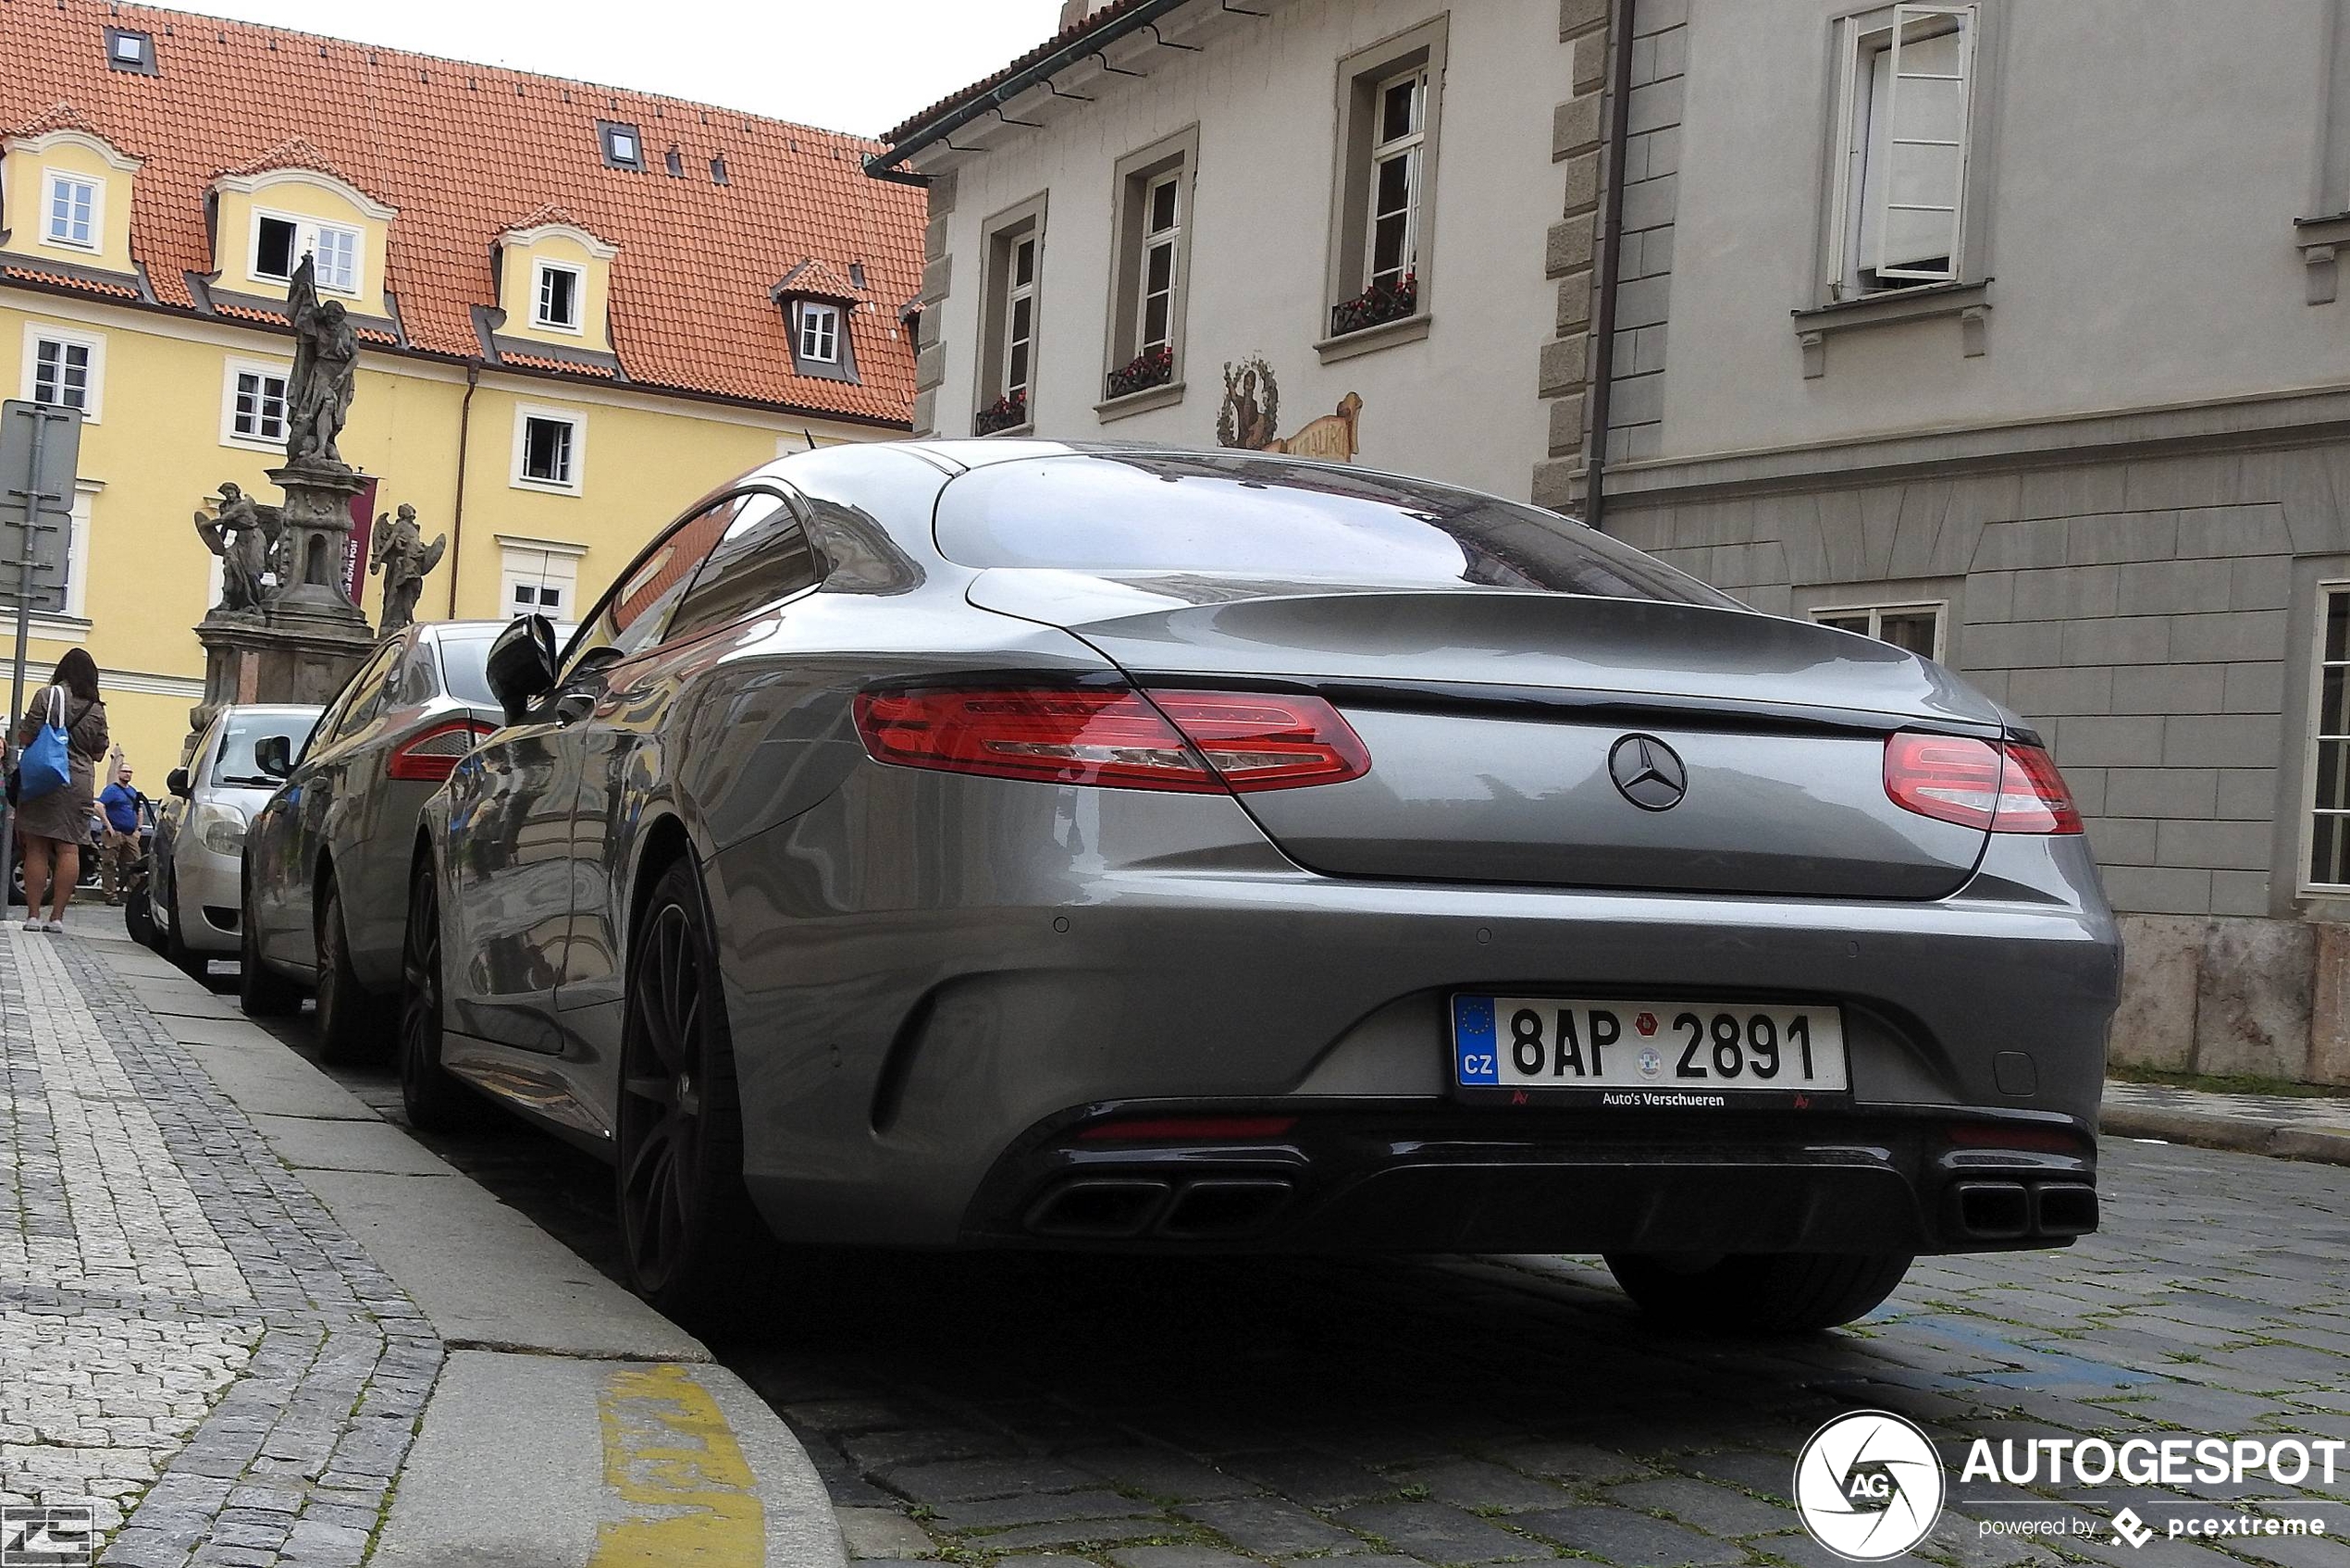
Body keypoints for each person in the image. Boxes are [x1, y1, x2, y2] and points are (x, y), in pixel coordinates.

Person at [13, 648, 109, 932]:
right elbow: (100, 752)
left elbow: (26, 736)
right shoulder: (96, 708)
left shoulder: (47, 696)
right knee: (69, 848)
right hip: (77, 783)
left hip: (43, 777)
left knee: (37, 846)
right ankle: (57, 918)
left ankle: (32, 916)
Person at [96, 762, 142, 906]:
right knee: (110, 864)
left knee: (134, 864)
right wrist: (108, 826)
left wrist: (138, 829)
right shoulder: (111, 790)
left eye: (130, 772)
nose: (127, 774)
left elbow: (139, 810)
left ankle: (131, 894)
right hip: (114, 833)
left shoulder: (133, 792)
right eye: (124, 771)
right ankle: (110, 895)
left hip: (130, 834)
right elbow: (98, 806)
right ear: (118, 773)